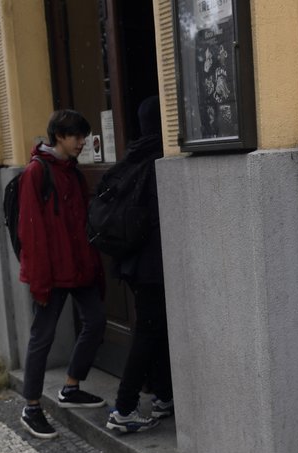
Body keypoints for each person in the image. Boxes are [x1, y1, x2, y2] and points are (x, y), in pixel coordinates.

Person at [18, 109, 107, 439]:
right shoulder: (36, 172)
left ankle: (71, 386)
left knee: (96, 320)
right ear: (58, 136)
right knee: (42, 337)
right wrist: (39, 281)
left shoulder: (73, 172)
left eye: (83, 136)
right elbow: (31, 231)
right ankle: (31, 406)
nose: (82, 142)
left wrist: (91, 265)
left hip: (77, 268)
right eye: (76, 136)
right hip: (50, 274)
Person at [105, 97, 174, 434]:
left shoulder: (134, 156)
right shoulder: (158, 159)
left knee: (154, 330)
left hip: (134, 265)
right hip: (152, 268)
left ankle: (162, 396)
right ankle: (124, 408)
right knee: (148, 334)